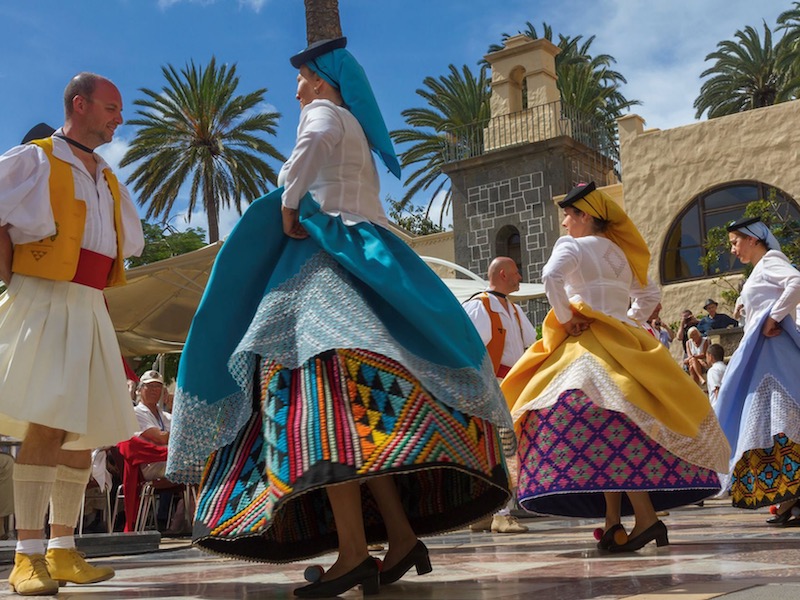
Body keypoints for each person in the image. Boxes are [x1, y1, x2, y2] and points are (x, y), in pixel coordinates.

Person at [167, 37, 511, 598]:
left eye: (302, 77)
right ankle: (399, 538)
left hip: (321, 262)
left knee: (318, 408)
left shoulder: (324, 113)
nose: (298, 88)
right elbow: (364, 205)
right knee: (352, 419)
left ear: (323, 80)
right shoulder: (358, 132)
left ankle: (354, 553)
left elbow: (312, 144)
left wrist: (286, 206)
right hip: (362, 258)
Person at [502, 182, 729, 554]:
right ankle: (613, 521)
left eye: (568, 215)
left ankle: (644, 517)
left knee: (571, 418)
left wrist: (566, 317)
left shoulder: (572, 246)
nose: (563, 223)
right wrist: (628, 321)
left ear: (585, 216)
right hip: (624, 344)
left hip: (586, 343)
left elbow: (550, 278)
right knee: (617, 425)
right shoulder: (622, 256)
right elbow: (650, 295)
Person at [0, 73, 145, 595]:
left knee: (84, 431)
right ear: (79, 105)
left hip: (88, 303)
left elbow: (124, 244)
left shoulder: (106, 175)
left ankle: (63, 550)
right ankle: (27, 556)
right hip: (46, 297)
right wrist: (13, 278)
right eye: (111, 107)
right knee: (45, 425)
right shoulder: (35, 158)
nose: (118, 118)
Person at [714, 217, 800, 525]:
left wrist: (772, 318)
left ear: (753, 239)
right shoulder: (759, 270)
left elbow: (796, 282)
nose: (733, 249)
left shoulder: (771, 260)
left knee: (782, 424)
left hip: (776, 360)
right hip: (766, 362)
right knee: (776, 427)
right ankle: (790, 497)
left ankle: (791, 497)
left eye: (736, 242)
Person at [463, 256, 537, 534]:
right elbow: (467, 348)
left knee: (501, 450)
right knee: (501, 450)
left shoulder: (514, 310)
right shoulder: (479, 306)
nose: (520, 277)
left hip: (512, 386)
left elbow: (532, 344)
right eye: (517, 272)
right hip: (491, 388)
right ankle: (501, 514)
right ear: (504, 274)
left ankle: (485, 513)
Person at [133, 370, 171, 481]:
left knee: (201, 465)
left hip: (166, 460)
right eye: (149, 386)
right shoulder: (135, 412)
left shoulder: (165, 416)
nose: (154, 389)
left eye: (158, 386)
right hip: (150, 465)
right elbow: (161, 438)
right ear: (140, 389)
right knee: (192, 469)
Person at [705, 343, 727, 408]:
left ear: (710, 356)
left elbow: (717, 390)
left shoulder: (713, 371)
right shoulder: (726, 368)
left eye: (706, 357)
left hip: (718, 408)